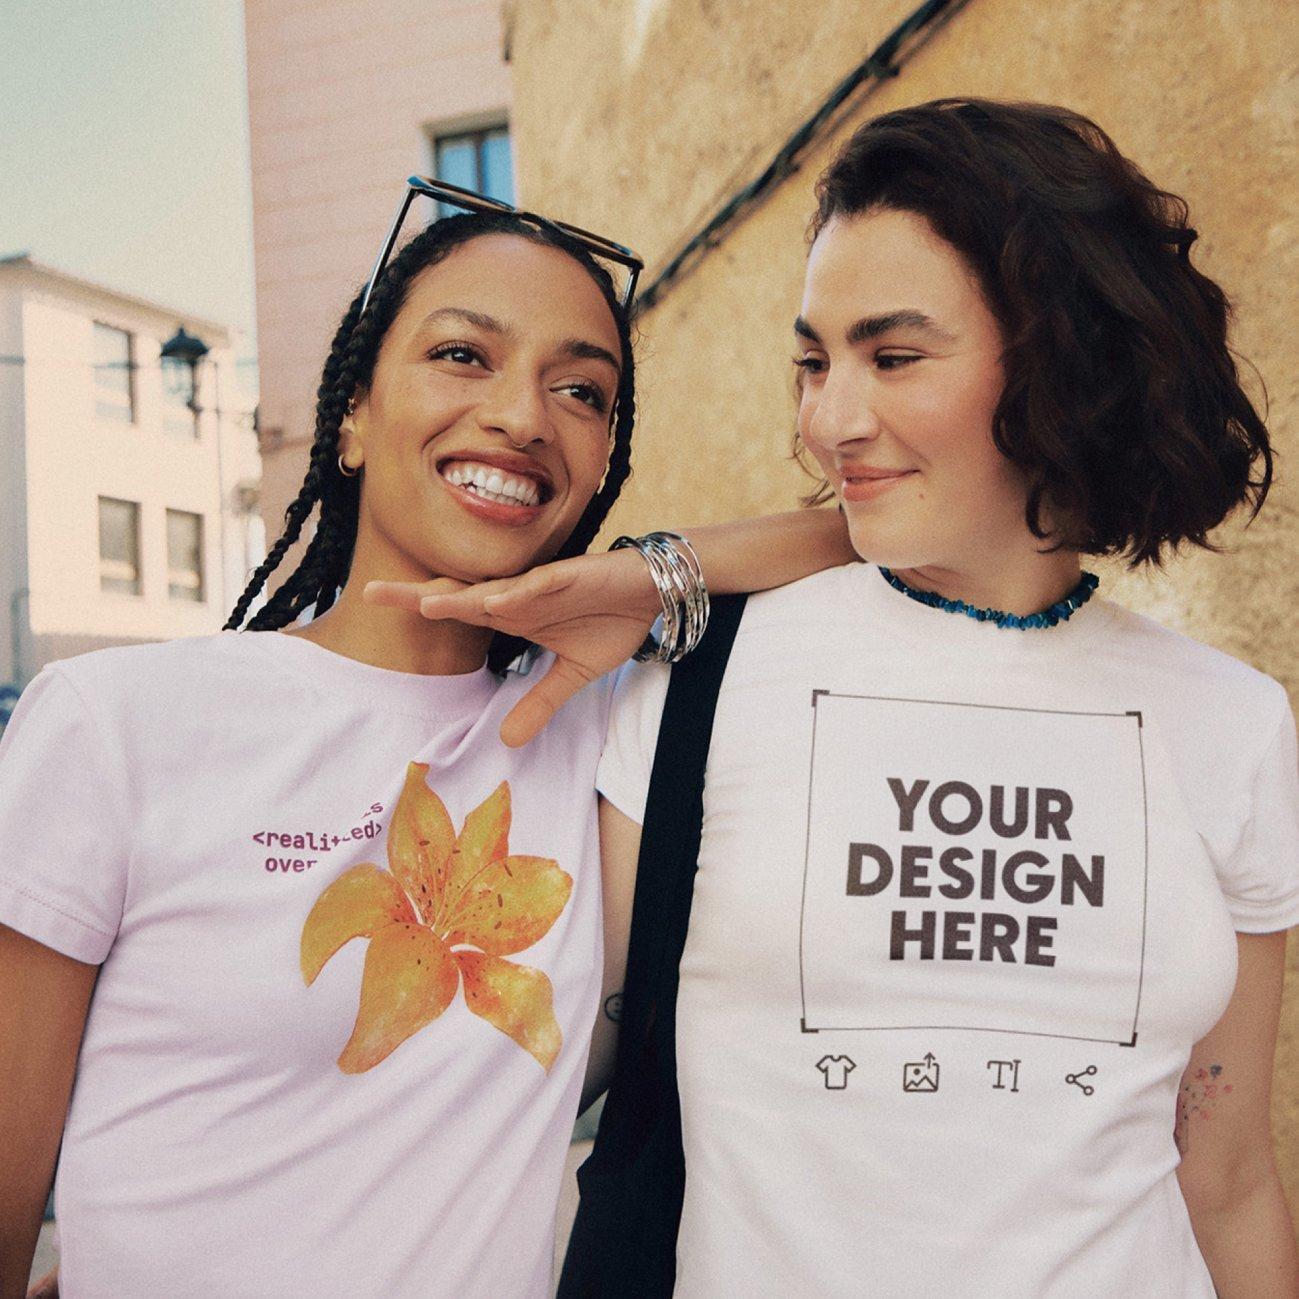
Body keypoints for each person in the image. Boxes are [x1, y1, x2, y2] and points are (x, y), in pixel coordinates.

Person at [427, 101, 1298, 1296]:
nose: (831, 419)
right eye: (813, 360)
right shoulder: (702, 679)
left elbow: (1230, 1176)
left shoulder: (1232, 720)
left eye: (893, 357)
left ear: (1062, 363)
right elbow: (518, 1075)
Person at [0, 189, 855, 1299]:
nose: (522, 416)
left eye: (580, 390)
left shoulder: (602, 728)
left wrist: (651, 574)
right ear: (350, 416)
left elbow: (889, 538)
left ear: (603, 462)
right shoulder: (118, 725)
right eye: (463, 354)